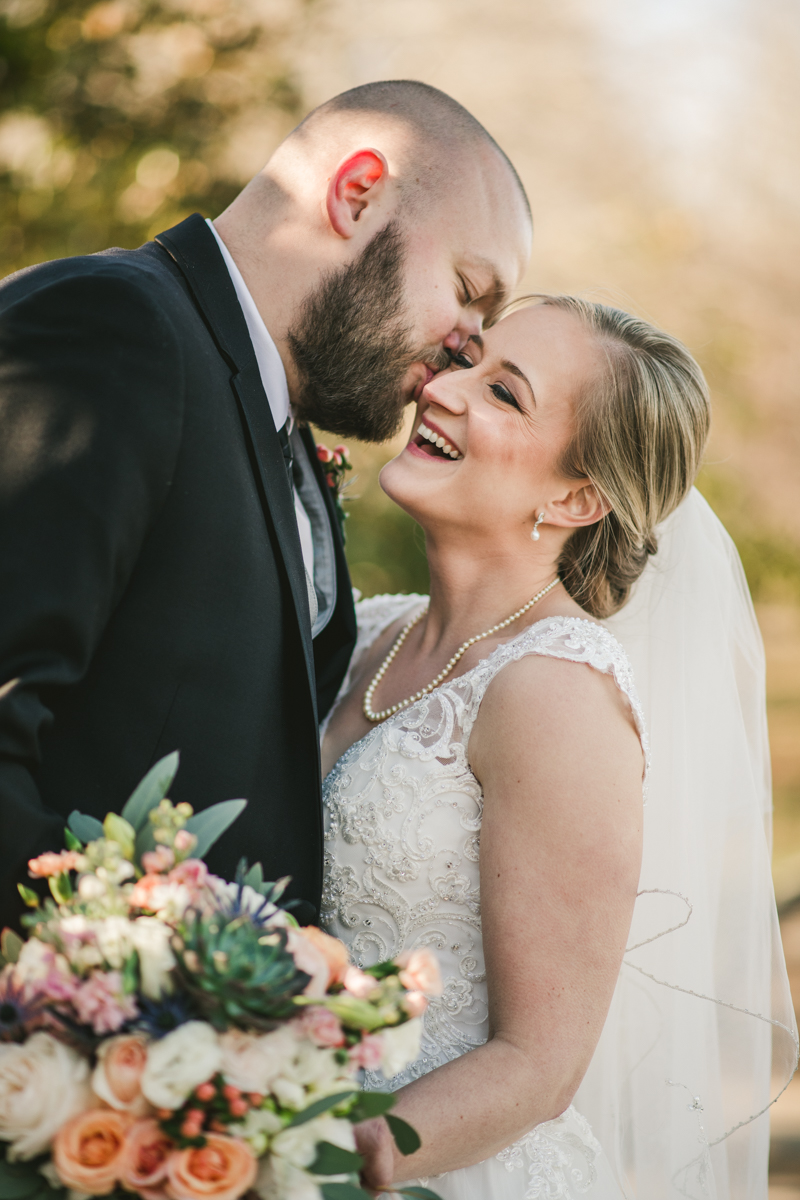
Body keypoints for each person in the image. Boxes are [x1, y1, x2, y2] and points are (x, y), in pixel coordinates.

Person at [0, 81, 531, 931]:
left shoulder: (286, 436)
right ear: (357, 195)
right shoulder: (112, 329)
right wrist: (101, 993)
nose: (470, 341)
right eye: (469, 288)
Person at [320, 297, 797, 1198]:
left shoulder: (556, 693)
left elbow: (539, 1064)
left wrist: (323, 1158)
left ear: (575, 497)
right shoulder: (366, 638)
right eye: (465, 360)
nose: (443, 390)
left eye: (503, 393)